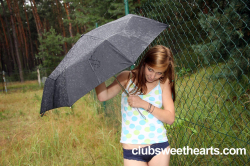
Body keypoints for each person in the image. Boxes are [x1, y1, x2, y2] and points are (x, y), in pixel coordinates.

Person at [95, 45, 175, 166]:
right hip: (132, 148)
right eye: (150, 69)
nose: (152, 76)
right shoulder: (127, 77)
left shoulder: (163, 83)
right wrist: (97, 72)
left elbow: (170, 118)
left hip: (158, 145)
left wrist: (143, 104)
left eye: (159, 73)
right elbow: (103, 96)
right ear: (144, 63)